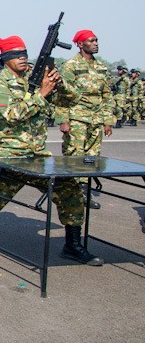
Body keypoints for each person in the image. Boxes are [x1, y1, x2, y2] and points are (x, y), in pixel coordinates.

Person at [0, 35, 103, 267]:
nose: (22, 58)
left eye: (24, 54)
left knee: (71, 191)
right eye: (16, 55)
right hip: (11, 156)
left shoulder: (35, 78)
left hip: (38, 156)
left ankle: (72, 245)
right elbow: (9, 116)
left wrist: (58, 82)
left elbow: (69, 99)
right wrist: (41, 94)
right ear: (5, 58)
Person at [55, 30, 114, 210]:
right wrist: (63, 120)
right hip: (77, 119)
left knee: (91, 158)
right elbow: (63, 96)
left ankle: (83, 193)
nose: (95, 43)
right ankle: (68, 193)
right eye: (91, 41)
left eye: (96, 40)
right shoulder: (70, 66)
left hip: (96, 119)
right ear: (80, 44)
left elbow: (106, 95)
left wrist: (107, 120)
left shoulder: (101, 67)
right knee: (74, 156)